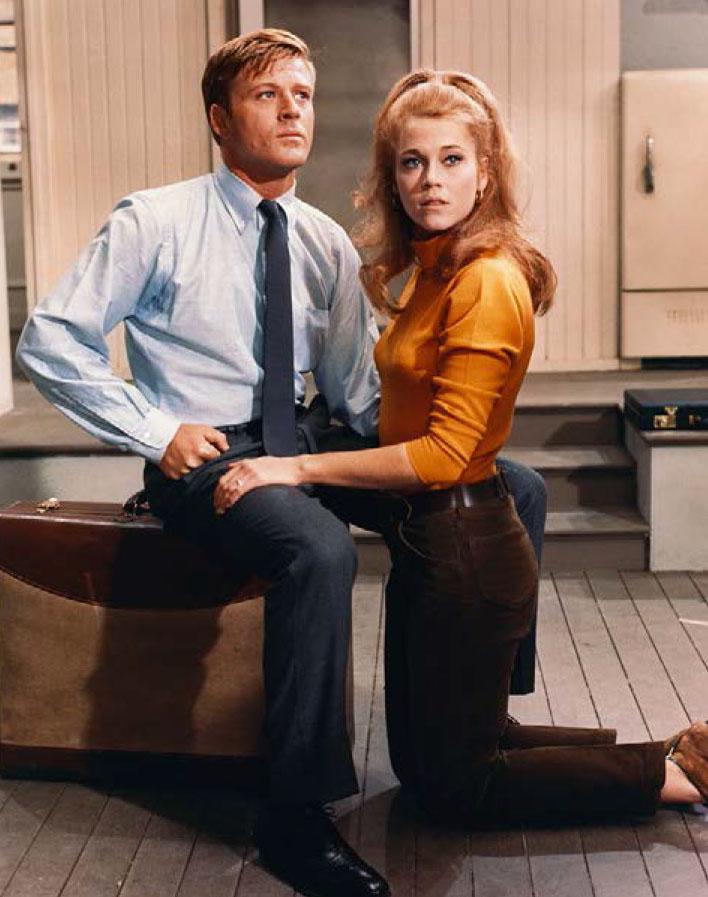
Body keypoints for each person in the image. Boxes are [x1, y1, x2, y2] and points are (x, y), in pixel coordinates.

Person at [215, 68, 708, 825]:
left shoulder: (487, 280)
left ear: (485, 174)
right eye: (412, 162)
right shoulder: (434, 270)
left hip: (467, 546)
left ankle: (673, 776)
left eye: (451, 160)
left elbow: (441, 455)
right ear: (393, 177)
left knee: (455, 786)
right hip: (431, 537)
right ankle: (666, 751)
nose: (430, 180)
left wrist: (295, 465)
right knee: (429, 762)